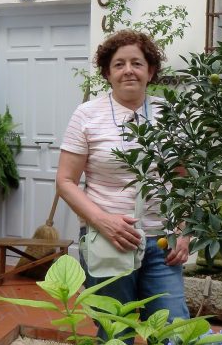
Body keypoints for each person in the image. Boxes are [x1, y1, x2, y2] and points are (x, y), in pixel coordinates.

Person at [56, 29, 191, 321]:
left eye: (137, 63)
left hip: (163, 244)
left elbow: (184, 179)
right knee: (114, 332)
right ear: (107, 72)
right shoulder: (87, 115)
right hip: (108, 242)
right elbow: (65, 181)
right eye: (119, 64)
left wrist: (184, 230)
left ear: (150, 70)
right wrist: (103, 221)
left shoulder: (170, 115)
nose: (128, 71)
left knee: (175, 332)